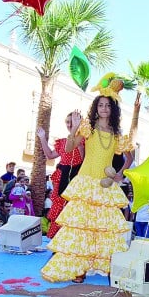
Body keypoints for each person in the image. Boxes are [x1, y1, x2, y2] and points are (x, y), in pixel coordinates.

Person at [41, 78, 133, 283]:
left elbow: (130, 157)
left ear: (113, 109)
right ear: (95, 108)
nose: (104, 108)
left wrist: (120, 174)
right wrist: (74, 127)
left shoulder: (118, 134)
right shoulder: (87, 128)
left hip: (105, 186)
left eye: (108, 105)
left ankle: (109, 265)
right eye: (100, 105)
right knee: (81, 226)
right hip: (85, 182)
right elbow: (68, 148)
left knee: (105, 228)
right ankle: (79, 269)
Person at [37, 112, 84, 239]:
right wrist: (42, 138)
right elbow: (50, 155)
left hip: (76, 176)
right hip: (62, 175)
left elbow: (83, 159)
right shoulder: (63, 142)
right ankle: (57, 237)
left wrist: (78, 143)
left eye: (72, 121)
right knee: (58, 206)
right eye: (68, 122)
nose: (70, 124)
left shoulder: (84, 140)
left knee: (73, 207)